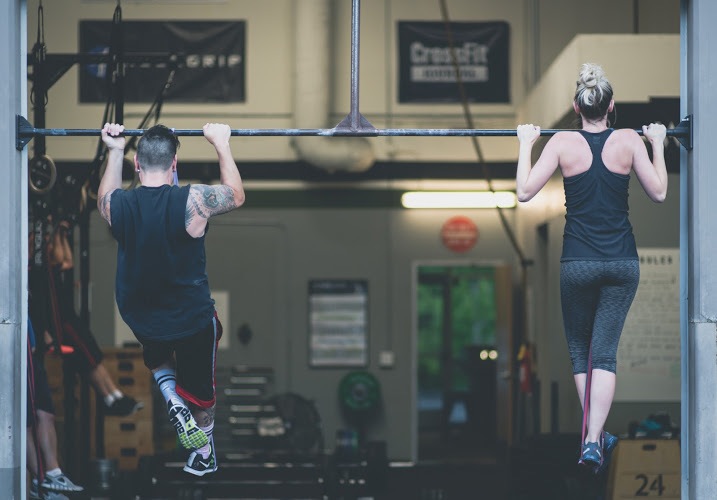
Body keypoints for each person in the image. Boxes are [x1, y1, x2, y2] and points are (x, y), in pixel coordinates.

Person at [515, 63, 667, 474]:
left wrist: (526, 144)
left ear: (575, 107)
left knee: (582, 353)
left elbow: (525, 192)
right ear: (612, 105)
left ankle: (592, 438)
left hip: (577, 262)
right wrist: (657, 143)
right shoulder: (628, 140)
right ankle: (593, 438)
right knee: (606, 355)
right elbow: (659, 192)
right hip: (622, 262)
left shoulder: (562, 141)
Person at [97, 122, 245, 476]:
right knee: (203, 397)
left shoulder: (119, 205)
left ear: (137, 164)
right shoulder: (191, 199)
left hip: (140, 315)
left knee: (158, 348)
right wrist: (221, 143)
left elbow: (104, 199)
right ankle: (203, 451)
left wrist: (114, 151)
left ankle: (170, 397)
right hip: (190, 319)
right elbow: (235, 195)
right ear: (175, 163)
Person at [29, 221, 144, 417]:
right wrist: (50, 235)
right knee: (90, 363)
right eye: (45, 244)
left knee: (95, 360)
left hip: (72, 321)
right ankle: (110, 399)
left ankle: (116, 396)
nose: (49, 246)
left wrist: (61, 234)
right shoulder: (37, 274)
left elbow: (68, 261)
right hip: (64, 325)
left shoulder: (53, 269)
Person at [27, 317, 84, 500]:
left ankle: (54, 474)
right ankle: (41, 482)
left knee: (46, 413)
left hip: (30, 351)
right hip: (13, 350)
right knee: (25, 422)